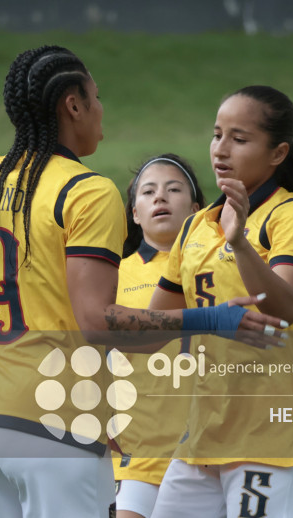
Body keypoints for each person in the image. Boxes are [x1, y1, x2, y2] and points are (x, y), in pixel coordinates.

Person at [0, 46, 284, 518]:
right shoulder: (85, 189)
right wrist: (215, 318)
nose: (102, 110)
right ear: (73, 106)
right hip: (51, 420)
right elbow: (97, 323)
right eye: (96, 98)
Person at [147, 85, 293, 518]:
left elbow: (283, 309)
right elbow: (152, 325)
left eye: (239, 139)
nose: (220, 150)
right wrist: (209, 319)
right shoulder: (194, 227)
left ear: (278, 153)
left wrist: (241, 244)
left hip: (275, 441)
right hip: (203, 440)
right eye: (216, 135)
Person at [112, 154, 205, 518]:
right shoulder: (113, 274)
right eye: (148, 192)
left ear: (196, 208)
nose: (160, 198)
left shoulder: (217, 267)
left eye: (173, 189)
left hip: (207, 453)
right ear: (135, 213)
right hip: (137, 455)